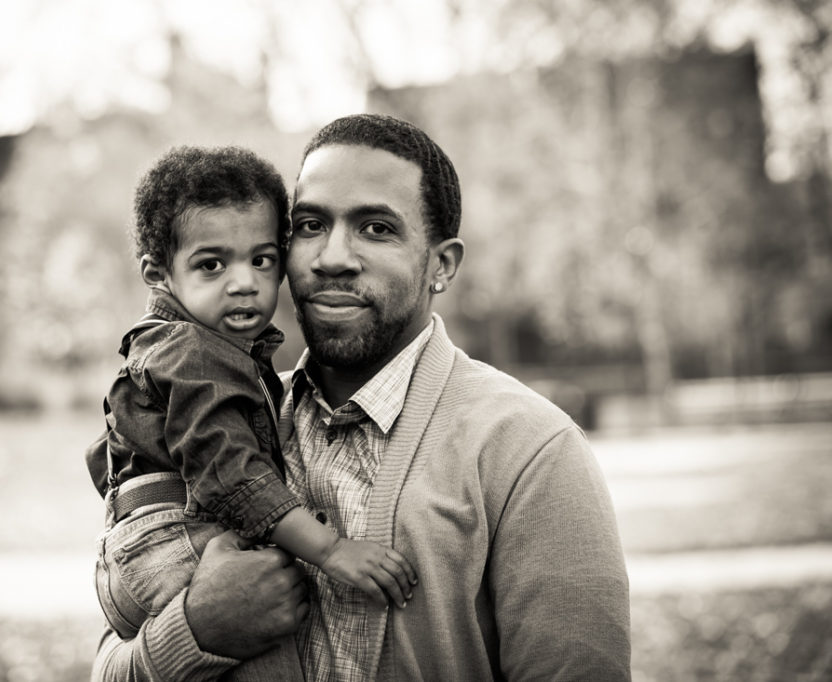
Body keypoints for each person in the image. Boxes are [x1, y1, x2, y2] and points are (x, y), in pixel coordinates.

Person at [92, 115, 631, 681]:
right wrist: (198, 630)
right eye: (310, 225)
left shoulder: (529, 448)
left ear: (440, 265)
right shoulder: (226, 414)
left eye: (376, 228)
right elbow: (109, 665)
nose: (332, 257)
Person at [86, 145, 416, 681]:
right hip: (172, 544)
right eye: (211, 264)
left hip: (134, 551)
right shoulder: (193, 353)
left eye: (261, 259)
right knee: (272, 653)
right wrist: (331, 550)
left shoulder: (184, 351)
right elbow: (231, 477)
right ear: (157, 272)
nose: (244, 282)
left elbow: (108, 458)